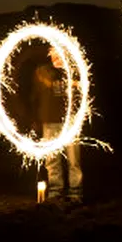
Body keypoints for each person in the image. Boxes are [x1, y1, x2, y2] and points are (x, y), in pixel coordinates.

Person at [30, 44, 83, 203]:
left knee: (73, 160)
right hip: (49, 121)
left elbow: (84, 92)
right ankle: (55, 190)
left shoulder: (73, 71)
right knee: (52, 160)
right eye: (52, 54)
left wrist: (75, 82)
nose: (55, 57)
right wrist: (35, 118)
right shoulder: (43, 71)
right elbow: (35, 95)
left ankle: (76, 192)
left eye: (59, 54)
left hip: (70, 121)